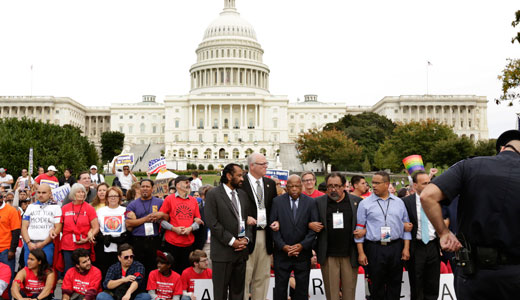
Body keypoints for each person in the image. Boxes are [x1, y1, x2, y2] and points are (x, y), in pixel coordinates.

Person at [420, 129, 520, 299]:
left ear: (502, 149)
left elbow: (427, 196)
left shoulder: (470, 166)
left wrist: (443, 233)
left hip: (474, 273)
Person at [355, 171, 411, 300]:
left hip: (395, 247)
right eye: (372, 182)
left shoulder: (399, 202)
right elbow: (359, 230)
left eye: (377, 183)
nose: (373, 185)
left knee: (395, 283)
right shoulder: (365, 203)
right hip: (375, 248)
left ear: (387, 184)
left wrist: (406, 248)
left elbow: (406, 226)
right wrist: (361, 252)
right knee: (376, 284)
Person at [309, 173, 362, 300]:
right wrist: (310, 224)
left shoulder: (357, 202)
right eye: (330, 186)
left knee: (349, 294)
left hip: (350, 255)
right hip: (328, 255)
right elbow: (308, 220)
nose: (333, 189)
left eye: (337, 186)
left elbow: (365, 223)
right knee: (331, 294)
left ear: (344, 186)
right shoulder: (318, 202)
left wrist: (363, 231)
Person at [204, 163, 251, 300]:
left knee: (238, 293)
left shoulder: (242, 195)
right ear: (229, 176)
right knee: (220, 294)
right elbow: (213, 223)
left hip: (241, 253)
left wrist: (246, 239)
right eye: (239, 175)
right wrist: (232, 241)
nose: (242, 179)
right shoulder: (213, 194)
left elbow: (247, 221)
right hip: (222, 254)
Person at [270, 174, 317, 300]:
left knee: (302, 290)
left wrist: (301, 246)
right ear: (287, 187)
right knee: (280, 289)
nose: (294, 189)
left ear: (301, 186)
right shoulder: (277, 202)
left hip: (302, 254)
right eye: (291, 186)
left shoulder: (311, 202)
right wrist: (283, 246)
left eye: (297, 186)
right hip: (282, 254)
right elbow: (273, 227)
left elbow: (314, 229)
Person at [239, 153, 277, 300]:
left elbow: (274, 208)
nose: (266, 166)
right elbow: (233, 208)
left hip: (265, 234)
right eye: (263, 164)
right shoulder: (241, 183)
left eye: (266, 163)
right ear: (252, 166)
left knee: (262, 276)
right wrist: (244, 218)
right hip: (247, 235)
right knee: (245, 275)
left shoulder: (270, 184)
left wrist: (277, 220)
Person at [402, 171, 440, 300]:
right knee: (416, 283)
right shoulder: (406, 202)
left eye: (429, 183)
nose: (428, 186)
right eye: (424, 184)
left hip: (433, 245)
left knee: (433, 282)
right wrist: (403, 226)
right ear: (414, 185)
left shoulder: (436, 200)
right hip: (416, 247)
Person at [153, 176, 202, 275]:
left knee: (186, 272)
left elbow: (198, 221)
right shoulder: (169, 199)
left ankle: (184, 290)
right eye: (186, 182)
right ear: (178, 185)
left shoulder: (193, 201)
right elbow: (160, 220)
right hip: (172, 243)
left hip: (188, 243)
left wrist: (190, 228)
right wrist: (174, 229)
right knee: (172, 272)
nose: (188, 184)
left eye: (189, 182)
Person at [125, 180, 163, 277]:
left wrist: (161, 215)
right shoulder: (132, 204)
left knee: (153, 267)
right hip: (138, 241)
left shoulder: (159, 202)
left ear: (152, 188)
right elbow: (128, 223)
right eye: (143, 186)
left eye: (147, 186)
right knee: (138, 268)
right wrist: (146, 219)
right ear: (139, 188)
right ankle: (139, 289)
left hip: (154, 240)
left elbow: (167, 217)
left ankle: (151, 289)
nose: (145, 188)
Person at [61, 183, 99, 274]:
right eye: (79, 192)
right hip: (68, 245)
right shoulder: (65, 208)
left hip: (84, 245)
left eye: (83, 192)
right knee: (69, 270)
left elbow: (96, 227)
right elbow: (59, 226)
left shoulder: (89, 208)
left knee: (84, 270)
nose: (81, 194)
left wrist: (88, 237)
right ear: (73, 194)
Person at [21, 184, 62, 265]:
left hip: (46, 245)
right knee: (29, 271)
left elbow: (58, 228)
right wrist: (28, 243)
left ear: (50, 194)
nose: (40, 195)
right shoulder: (30, 207)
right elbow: (24, 227)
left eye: (44, 193)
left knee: (46, 270)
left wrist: (43, 243)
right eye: (39, 192)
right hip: (29, 244)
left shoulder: (56, 207)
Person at [95, 187, 128, 276]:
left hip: (120, 245)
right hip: (104, 245)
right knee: (105, 269)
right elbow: (96, 227)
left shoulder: (125, 210)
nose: (113, 198)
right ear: (107, 198)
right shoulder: (100, 211)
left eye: (115, 196)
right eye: (110, 196)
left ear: (119, 197)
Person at [0, 190, 21, 281]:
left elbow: (16, 231)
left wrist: (12, 249)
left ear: (2, 198)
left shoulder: (11, 210)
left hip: (6, 250)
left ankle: (7, 295)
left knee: (7, 277)